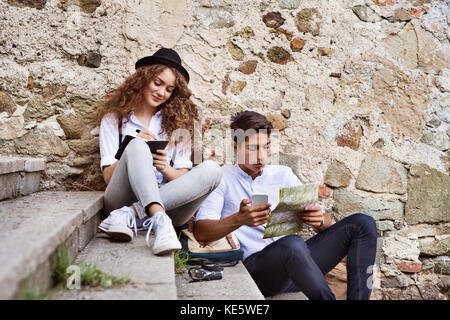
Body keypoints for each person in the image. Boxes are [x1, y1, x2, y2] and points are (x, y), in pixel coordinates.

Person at [194, 111, 377, 300]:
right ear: (235, 147)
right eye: (254, 148)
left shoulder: (283, 174)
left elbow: (326, 222)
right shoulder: (221, 178)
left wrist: (320, 221)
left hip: (300, 267)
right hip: (258, 270)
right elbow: (201, 231)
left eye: (266, 147)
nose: (262, 156)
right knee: (293, 244)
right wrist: (238, 219)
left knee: (363, 224)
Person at [97, 48, 222, 255]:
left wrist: (164, 168)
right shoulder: (114, 119)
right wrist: (131, 147)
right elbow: (109, 178)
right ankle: (155, 219)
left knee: (213, 170)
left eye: (169, 89)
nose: (162, 93)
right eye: (157, 83)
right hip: (121, 199)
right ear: (143, 79)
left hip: (168, 203)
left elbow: (182, 176)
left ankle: (136, 214)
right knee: (137, 145)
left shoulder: (178, 125)